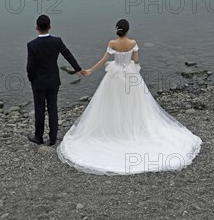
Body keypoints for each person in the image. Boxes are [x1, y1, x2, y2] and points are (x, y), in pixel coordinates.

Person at [57, 19, 202, 175]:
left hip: (114, 75)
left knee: (112, 103)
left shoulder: (112, 43)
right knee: (135, 103)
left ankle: (115, 129)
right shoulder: (133, 43)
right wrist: (130, 64)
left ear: (117, 30)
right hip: (130, 75)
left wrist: (89, 71)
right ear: (127, 30)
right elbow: (137, 60)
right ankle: (133, 127)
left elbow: (104, 60)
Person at [26, 14, 85, 146]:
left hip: (38, 83)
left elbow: (30, 66)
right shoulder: (57, 41)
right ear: (50, 27)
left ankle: (38, 137)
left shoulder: (32, 45)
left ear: (36, 28)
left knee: (39, 109)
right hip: (53, 81)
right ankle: (52, 139)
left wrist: (31, 79)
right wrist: (78, 69)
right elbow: (68, 55)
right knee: (53, 108)